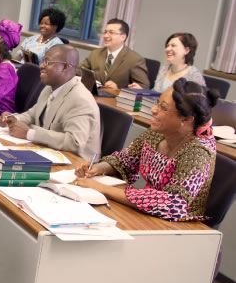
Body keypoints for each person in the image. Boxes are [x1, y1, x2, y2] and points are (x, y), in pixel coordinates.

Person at [75, 79, 218, 221]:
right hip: (144, 214)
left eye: (163, 107)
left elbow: (173, 204)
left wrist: (102, 188)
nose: (153, 110)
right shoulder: (158, 131)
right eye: (157, 103)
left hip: (179, 228)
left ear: (186, 119)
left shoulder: (199, 152)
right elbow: (125, 160)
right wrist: (99, 168)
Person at [0, 45, 101, 160]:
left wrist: (30, 133)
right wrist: (13, 119)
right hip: (48, 153)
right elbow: (32, 114)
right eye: (42, 60)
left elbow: (74, 142)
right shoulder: (50, 87)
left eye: (47, 62)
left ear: (65, 67)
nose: (41, 66)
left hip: (75, 164)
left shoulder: (80, 99)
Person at [78, 18, 149, 90]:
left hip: (115, 99)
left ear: (123, 37)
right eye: (105, 32)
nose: (106, 36)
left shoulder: (134, 59)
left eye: (111, 32)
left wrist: (118, 89)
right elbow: (78, 71)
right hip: (93, 96)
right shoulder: (96, 53)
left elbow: (144, 87)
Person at [131, 32, 205, 92]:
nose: (167, 49)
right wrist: (143, 91)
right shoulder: (165, 68)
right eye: (167, 46)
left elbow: (197, 104)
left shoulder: (194, 76)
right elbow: (156, 93)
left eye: (173, 45)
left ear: (186, 50)